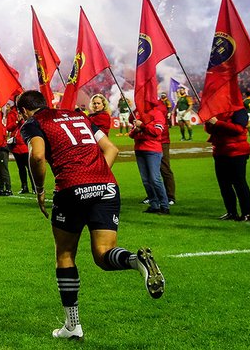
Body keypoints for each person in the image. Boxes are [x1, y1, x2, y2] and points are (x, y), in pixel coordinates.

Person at [17, 89, 164, 341]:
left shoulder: (33, 123)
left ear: (23, 111)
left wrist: (39, 189)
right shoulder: (79, 115)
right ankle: (136, 262)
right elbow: (112, 149)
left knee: (65, 254)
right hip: (107, 187)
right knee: (104, 254)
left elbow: (38, 155)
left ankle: (72, 326)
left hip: (70, 190)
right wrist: (95, 178)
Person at [204, 109, 250, 221]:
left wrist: (217, 123)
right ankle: (231, 212)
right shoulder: (216, 110)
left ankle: (246, 213)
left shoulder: (239, 110)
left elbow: (238, 129)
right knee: (224, 184)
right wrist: (208, 123)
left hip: (237, 151)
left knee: (239, 182)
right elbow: (209, 130)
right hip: (220, 151)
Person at [129, 103, 169, 214]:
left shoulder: (157, 114)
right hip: (140, 149)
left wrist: (142, 126)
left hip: (153, 150)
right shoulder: (139, 114)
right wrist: (135, 131)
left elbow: (157, 132)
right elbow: (131, 134)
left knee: (155, 179)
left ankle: (165, 206)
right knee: (146, 180)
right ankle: (154, 205)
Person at [157, 94, 177, 207]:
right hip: (150, 142)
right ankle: (153, 195)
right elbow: (132, 117)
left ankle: (170, 196)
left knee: (164, 168)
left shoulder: (160, 106)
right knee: (152, 171)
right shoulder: (146, 105)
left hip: (161, 141)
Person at [8, 111, 31, 194]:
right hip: (16, 147)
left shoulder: (28, 113)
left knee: (30, 169)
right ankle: (24, 187)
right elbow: (9, 127)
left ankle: (35, 187)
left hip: (25, 147)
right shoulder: (12, 114)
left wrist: (22, 120)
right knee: (21, 169)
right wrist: (16, 122)